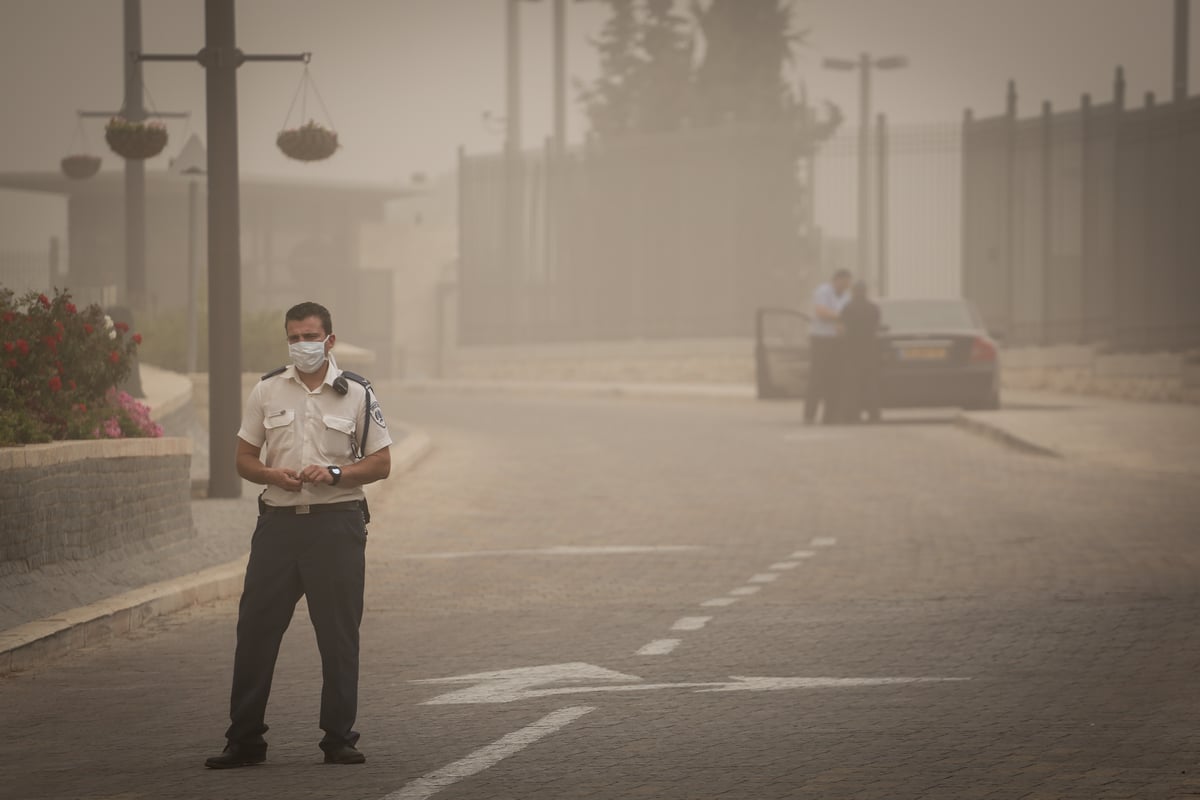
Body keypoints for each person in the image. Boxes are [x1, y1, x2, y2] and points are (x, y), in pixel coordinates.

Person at [205, 301, 393, 769]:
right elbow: (243, 458)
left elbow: (381, 463)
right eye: (293, 336)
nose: (302, 345)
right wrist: (271, 473)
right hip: (278, 528)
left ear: (329, 340)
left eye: (310, 336)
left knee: (338, 636)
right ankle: (245, 740)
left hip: (337, 526)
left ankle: (338, 739)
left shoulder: (357, 393)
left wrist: (334, 472)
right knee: (255, 633)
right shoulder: (267, 390)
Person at [805, 268, 852, 425]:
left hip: (837, 341)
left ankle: (830, 416)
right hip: (820, 339)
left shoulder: (846, 295)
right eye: (845, 282)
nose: (846, 286)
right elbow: (821, 312)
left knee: (834, 379)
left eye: (848, 283)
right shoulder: (823, 291)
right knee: (817, 378)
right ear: (837, 280)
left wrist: (842, 322)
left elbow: (847, 315)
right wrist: (841, 317)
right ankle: (809, 415)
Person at [838, 280, 883, 423]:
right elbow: (876, 326)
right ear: (866, 292)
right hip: (870, 351)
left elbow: (842, 328)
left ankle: (852, 415)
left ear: (854, 292)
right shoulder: (873, 308)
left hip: (851, 352)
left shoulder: (847, 308)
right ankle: (874, 415)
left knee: (852, 385)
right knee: (871, 384)